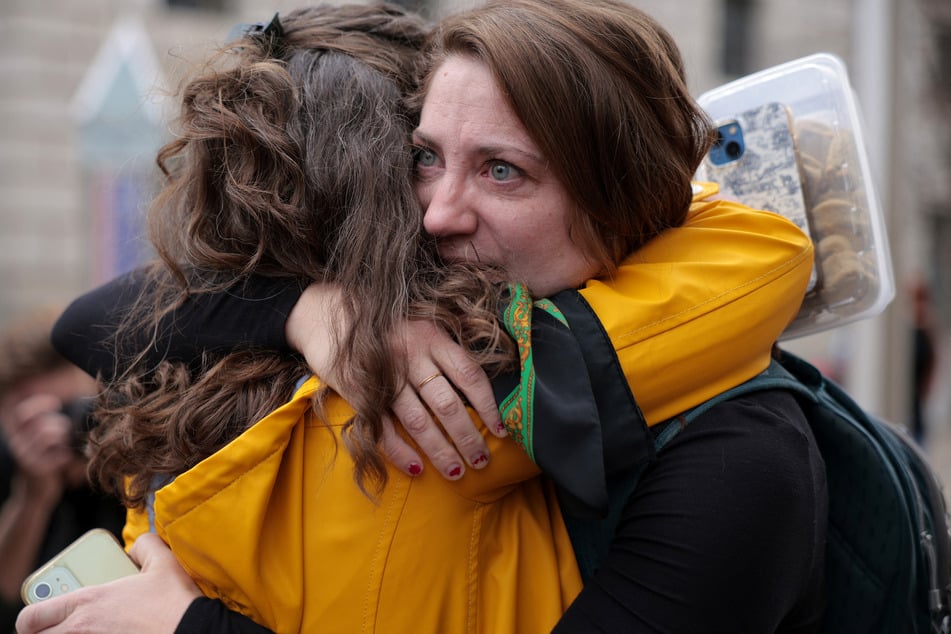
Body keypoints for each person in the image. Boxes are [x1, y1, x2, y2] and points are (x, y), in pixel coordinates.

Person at [21, 1, 825, 632]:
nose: (437, 214)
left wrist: (187, 628)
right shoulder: (388, 333)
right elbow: (94, 319)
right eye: (425, 157)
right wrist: (305, 309)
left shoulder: (739, 455)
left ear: (627, 198)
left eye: (503, 171)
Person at [0, 306, 125, 633]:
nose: (55, 432)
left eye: (67, 409)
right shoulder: (8, 464)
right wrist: (31, 500)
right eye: (32, 421)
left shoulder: (138, 454)